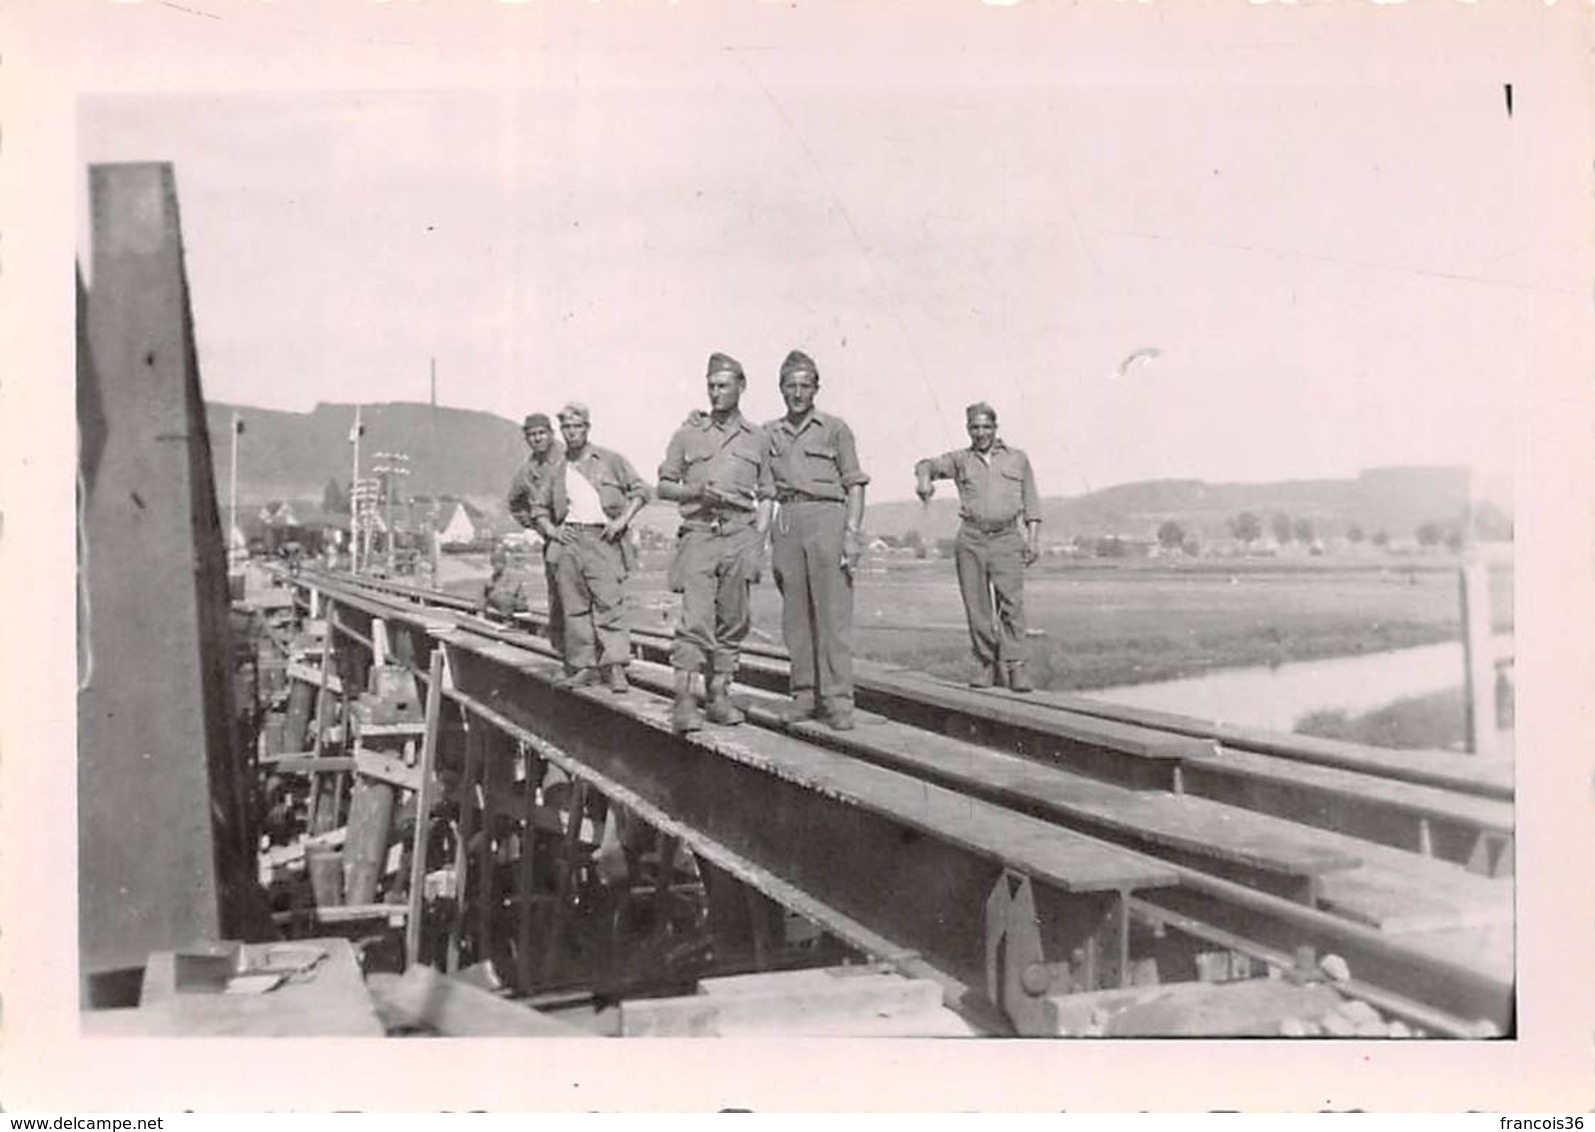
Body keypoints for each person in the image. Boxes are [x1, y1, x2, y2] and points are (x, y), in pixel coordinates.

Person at [655, 352, 774, 734]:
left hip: (740, 534)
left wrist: (759, 539)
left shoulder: (759, 438)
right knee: (695, 621)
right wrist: (696, 491)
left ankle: (719, 696)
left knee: (734, 619)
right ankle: (685, 702)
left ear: (742, 387)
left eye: (723, 386)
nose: (716, 393)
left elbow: (768, 494)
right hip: (700, 533)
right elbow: (663, 485)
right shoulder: (687, 434)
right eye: (711, 386)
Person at [764, 350, 869, 730]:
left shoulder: (835, 429)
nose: (797, 393)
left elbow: (854, 484)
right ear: (780, 389)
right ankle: (804, 695)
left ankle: (838, 700)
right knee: (796, 618)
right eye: (790, 386)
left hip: (829, 518)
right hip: (788, 522)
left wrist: (852, 536)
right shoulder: (768, 433)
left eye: (805, 386)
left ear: (816, 388)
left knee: (833, 617)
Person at [914, 401, 1042, 692]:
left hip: (1007, 537)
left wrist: (1032, 538)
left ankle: (1016, 666)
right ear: (967, 429)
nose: (981, 432)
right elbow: (926, 465)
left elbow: (1031, 500)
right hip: (971, 538)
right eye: (975, 427)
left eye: (986, 426)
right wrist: (924, 481)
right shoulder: (961, 459)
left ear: (996, 428)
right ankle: (986, 663)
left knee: (1011, 604)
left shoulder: (1017, 459)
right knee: (977, 606)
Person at [529, 402, 650, 692]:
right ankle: (585, 666)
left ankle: (615, 666)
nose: (571, 433)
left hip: (603, 540)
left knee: (609, 604)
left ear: (587, 428)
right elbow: (538, 509)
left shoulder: (609, 460)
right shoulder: (557, 470)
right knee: (575, 608)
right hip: (570, 541)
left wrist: (621, 520)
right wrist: (554, 532)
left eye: (577, 426)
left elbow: (641, 490)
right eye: (566, 428)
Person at [506, 413, 567, 653]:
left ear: (551, 434)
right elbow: (514, 502)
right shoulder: (527, 471)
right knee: (557, 595)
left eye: (541, 433)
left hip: (580, 533)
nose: (537, 439)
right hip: (553, 539)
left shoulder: (568, 458)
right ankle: (562, 649)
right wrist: (537, 524)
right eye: (532, 435)